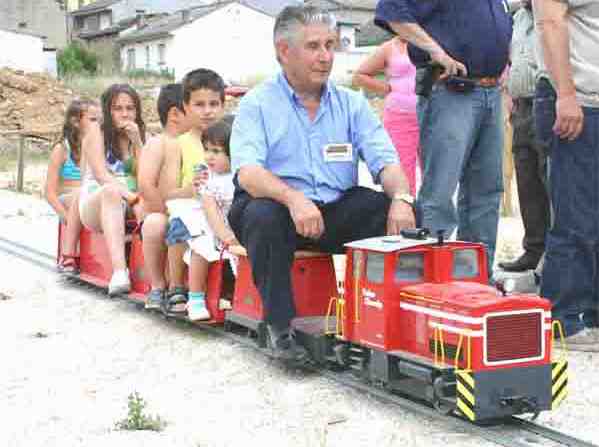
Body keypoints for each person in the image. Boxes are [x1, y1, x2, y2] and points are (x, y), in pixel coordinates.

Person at [229, 5, 415, 362]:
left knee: (396, 215)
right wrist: (293, 198)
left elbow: (385, 161)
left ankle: (385, 323)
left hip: (331, 208)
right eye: (314, 46)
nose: (326, 56)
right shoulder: (258, 103)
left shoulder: (351, 103)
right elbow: (249, 173)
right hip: (276, 207)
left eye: (331, 45)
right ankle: (279, 329)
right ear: (284, 52)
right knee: (263, 216)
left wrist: (403, 198)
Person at [374, 0, 513, 274]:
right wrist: (438, 52)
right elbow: (393, 11)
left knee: (486, 191)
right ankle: (435, 281)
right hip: (451, 90)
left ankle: (477, 278)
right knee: (440, 192)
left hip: (489, 90)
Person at [534, 0, 599, 346]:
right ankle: (565, 317)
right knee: (576, 215)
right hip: (579, 103)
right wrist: (567, 95)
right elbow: (549, 22)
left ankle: (591, 313)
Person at [160, 68, 228, 313]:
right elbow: (167, 192)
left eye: (214, 103)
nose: (208, 110)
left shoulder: (231, 138)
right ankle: (177, 286)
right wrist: (190, 189)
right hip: (190, 204)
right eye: (199, 104)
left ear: (223, 105)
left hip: (222, 203)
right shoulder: (178, 145)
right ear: (185, 106)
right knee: (184, 221)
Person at [79, 84, 145, 296]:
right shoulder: (96, 134)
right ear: (108, 111)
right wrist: (133, 198)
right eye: (118, 108)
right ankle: (119, 272)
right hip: (96, 202)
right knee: (111, 191)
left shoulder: (142, 135)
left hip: (132, 200)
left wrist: (137, 142)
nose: (125, 114)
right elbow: (101, 175)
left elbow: (145, 176)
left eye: (130, 108)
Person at [499, 1, 550, 273]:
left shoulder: (555, 10)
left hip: (547, 101)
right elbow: (511, 59)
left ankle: (555, 254)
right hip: (521, 105)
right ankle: (534, 248)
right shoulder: (517, 17)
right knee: (526, 180)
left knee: (550, 180)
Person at [138, 83, 192, 310]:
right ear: (175, 114)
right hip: (159, 211)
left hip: (188, 211)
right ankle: (158, 285)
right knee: (155, 224)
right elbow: (146, 184)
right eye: (194, 107)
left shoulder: (194, 142)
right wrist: (162, 210)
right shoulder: (158, 143)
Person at [184, 119, 238, 321]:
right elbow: (210, 211)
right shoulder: (209, 181)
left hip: (236, 229)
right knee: (201, 247)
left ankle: (236, 295)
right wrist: (225, 235)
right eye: (206, 150)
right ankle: (195, 297)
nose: (209, 156)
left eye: (216, 151)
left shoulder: (240, 175)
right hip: (214, 228)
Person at [352, 36, 419, 195]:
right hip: (399, 118)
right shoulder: (389, 47)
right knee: (402, 173)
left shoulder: (433, 41)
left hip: (432, 115)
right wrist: (387, 88)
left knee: (435, 173)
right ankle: (407, 214)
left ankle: (430, 218)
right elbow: (359, 75)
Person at [46, 99, 100, 273]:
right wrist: (66, 217)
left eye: (99, 120)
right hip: (68, 198)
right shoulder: (62, 150)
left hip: (88, 193)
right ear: (76, 122)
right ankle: (68, 253)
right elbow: (49, 193)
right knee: (79, 193)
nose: (98, 124)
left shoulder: (97, 146)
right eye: (93, 120)